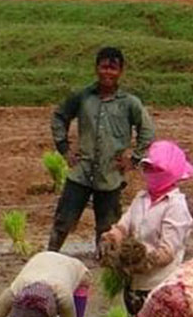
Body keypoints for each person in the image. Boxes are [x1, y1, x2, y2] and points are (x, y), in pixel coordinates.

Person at [99, 140, 193, 317]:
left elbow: (166, 251)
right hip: (134, 288)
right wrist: (112, 238)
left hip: (162, 287)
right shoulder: (141, 199)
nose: (151, 174)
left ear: (172, 173)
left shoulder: (176, 206)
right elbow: (124, 225)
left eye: (157, 170)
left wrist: (136, 262)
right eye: (149, 169)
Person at [49, 47, 155, 252]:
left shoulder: (129, 103)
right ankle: (50, 256)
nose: (108, 73)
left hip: (110, 174)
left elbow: (147, 130)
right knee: (63, 222)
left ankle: (105, 266)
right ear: (96, 68)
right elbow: (59, 117)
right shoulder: (83, 97)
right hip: (81, 171)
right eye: (104, 67)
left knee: (107, 229)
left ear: (121, 71)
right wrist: (64, 148)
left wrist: (133, 160)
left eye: (113, 68)